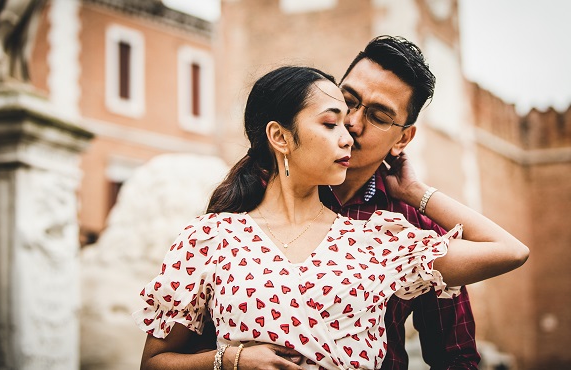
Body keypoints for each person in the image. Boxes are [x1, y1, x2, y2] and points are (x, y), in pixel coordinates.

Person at [133, 65, 528, 370]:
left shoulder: (378, 242)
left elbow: (509, 251)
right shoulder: (209, 238)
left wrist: (414, 193)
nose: (349, 135)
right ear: (281, 137)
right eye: (331, 122)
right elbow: (154, 362)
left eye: (357, 120)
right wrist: (231, 360)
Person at [320, 35, 480, 369]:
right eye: (348, 99)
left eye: (378, 117)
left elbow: (455, 357)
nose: (352, 122)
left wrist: (415, 193)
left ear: (403, 139)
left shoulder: (417, 231)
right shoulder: (264, 193)